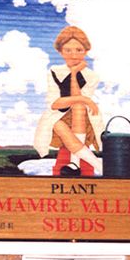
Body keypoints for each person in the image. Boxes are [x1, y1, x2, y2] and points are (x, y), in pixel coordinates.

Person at [33, 26, 103, 175]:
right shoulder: (54, 71)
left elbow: (79, 102)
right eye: (68, 50)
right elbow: (55, 104)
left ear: (86, 51)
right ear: (60, 52)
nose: (74, 55)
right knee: (59, 122)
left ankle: (74, 163)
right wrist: (83, 98)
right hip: (58, 115)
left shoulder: (92, 76)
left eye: (79, 50)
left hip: (83, 118)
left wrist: (74, 74)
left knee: (78, 106)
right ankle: (99, 166)